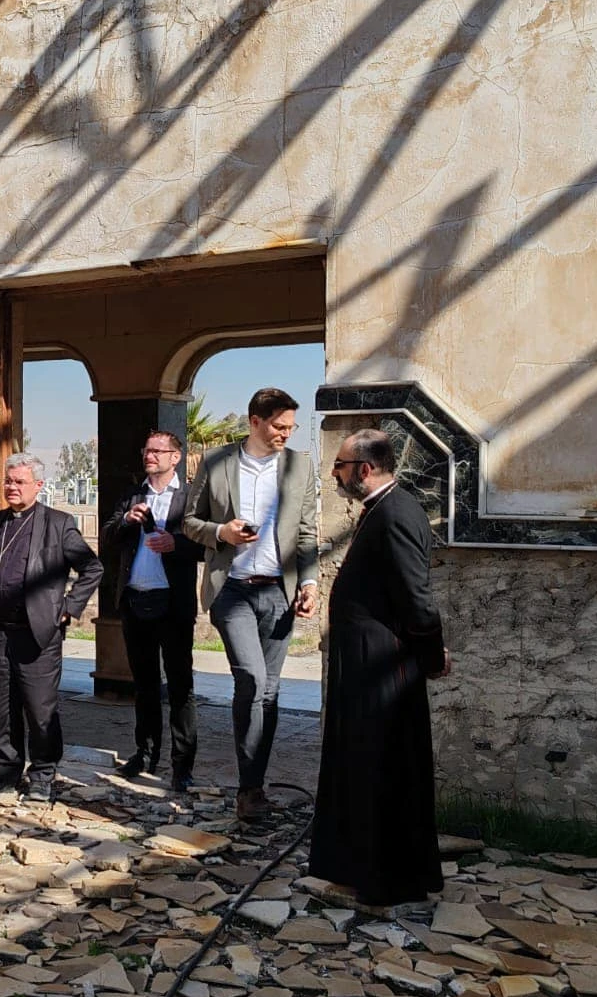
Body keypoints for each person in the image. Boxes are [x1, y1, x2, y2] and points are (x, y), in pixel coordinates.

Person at [310, 429, 451, 908]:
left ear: (365, 469)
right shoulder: (382, 510)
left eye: (341, 465)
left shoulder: (394, 513)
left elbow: (417, 598)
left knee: (384, 771)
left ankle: (387, 881)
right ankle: (359, 870)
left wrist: (432, 656)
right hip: (369, 664)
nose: (335, 473)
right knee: (364, 767)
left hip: (383, 668)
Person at [183, 388, 319, 821]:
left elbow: (306, 532)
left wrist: (310, 582)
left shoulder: (300, 465)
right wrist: (222, 532)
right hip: (233, 589)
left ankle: (252, 789)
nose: (286, 434)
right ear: (255, 422)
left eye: (291, 428)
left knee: (272, 691)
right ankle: (250, 787)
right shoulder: (217, 462)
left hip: (279, 592)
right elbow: (189, 522)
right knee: (253, 681)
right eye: (279, 426)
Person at [0, 453, 103, 802]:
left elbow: (92, 568)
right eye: (8, 481)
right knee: (2, 707)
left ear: (38, 486)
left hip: (37, 633)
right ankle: (6, 771)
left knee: (40, 709)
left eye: (19, 482)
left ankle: (42, 774)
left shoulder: (58, 523)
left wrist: (68, 607)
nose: (11, 487)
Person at [99, 430, 203, 791]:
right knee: (143, 685)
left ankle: (182, 764)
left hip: (173, 604)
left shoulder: (191, 498)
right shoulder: (132, 494)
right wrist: (127, 520)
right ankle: (145, 753)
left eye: (159, 451)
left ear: (176, 457)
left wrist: (177, 543)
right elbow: (107, 538)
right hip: (134, 600)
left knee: (179, 686)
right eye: (147, 450)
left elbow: (209, 545)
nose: (150, 456)